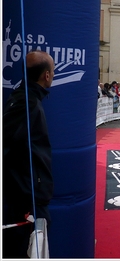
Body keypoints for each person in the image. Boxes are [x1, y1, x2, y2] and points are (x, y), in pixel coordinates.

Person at [3, 50, 55, 258]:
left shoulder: (25, 99)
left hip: (27, 194)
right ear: (47, 75)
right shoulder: (27, 103)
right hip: (28, 200)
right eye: (53, 71)